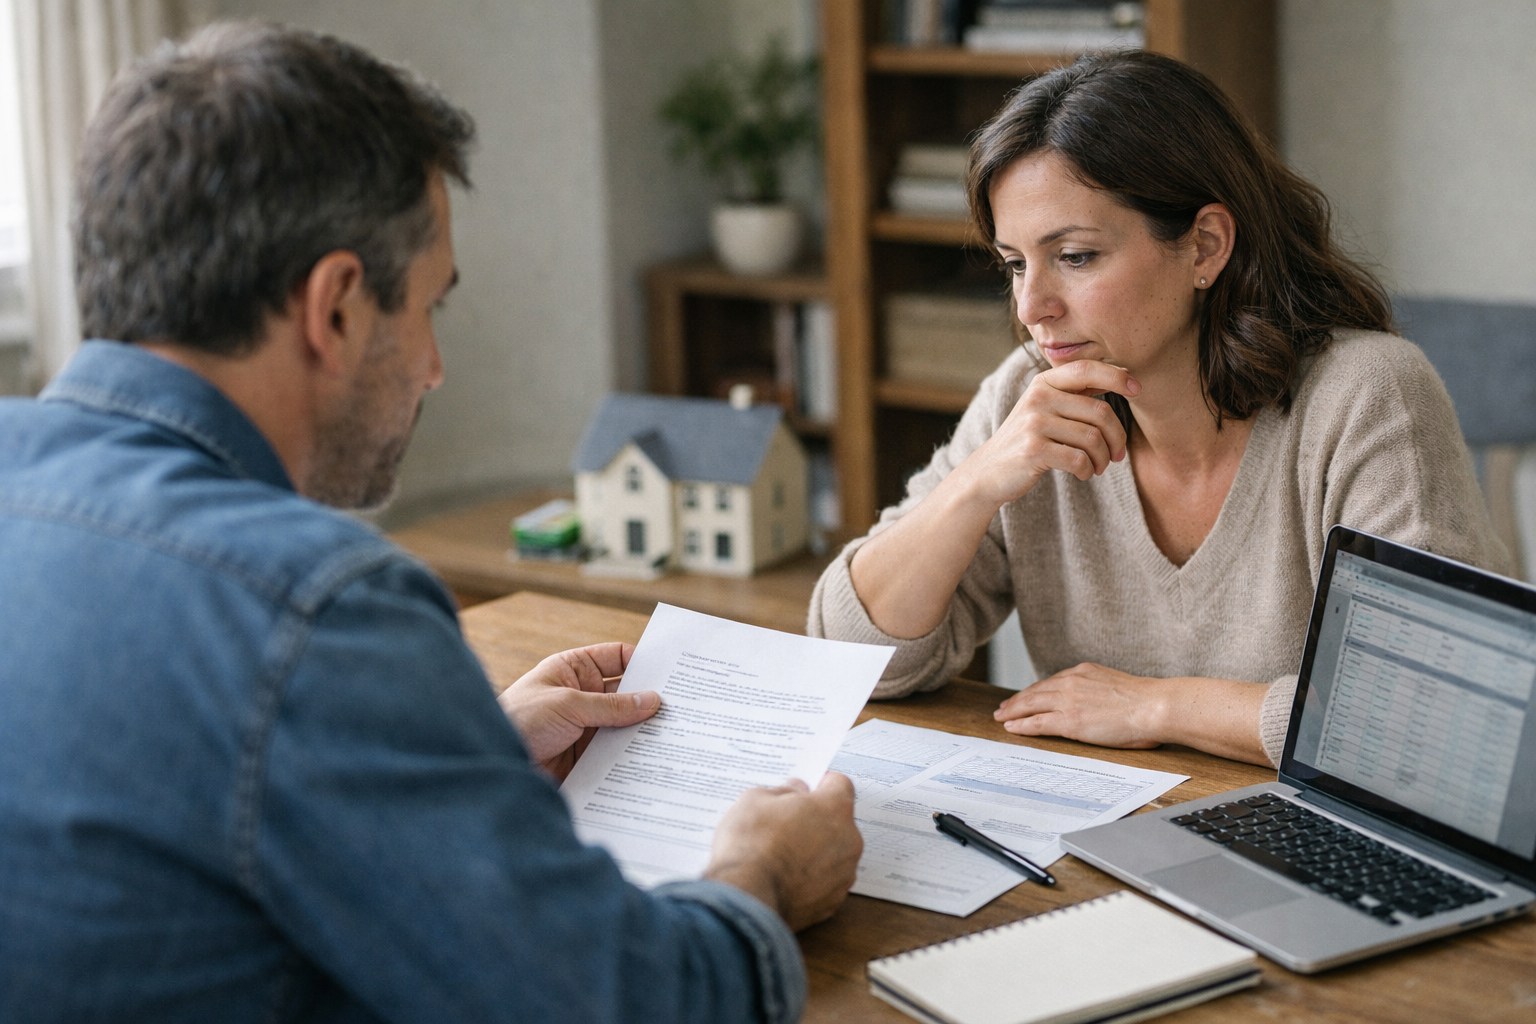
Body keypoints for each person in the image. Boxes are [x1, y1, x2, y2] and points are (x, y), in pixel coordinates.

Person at [0, 23, 861, 1023]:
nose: (435, 367)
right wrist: (760, 872)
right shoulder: (317, 608)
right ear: (333, 308)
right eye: (428, 309)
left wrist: (453, 756)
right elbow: (636, 1003)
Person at [808, 51, 1507, 769]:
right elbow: (855, 662)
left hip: (1324, 846)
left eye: (1075, 256)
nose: (1031, 307)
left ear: (1205, 245)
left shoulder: (1367, 394)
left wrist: (1158, 705)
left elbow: (1431, 720)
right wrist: (976, 482)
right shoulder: (1028, 397)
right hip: (1114, 831)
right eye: (1015, 263)